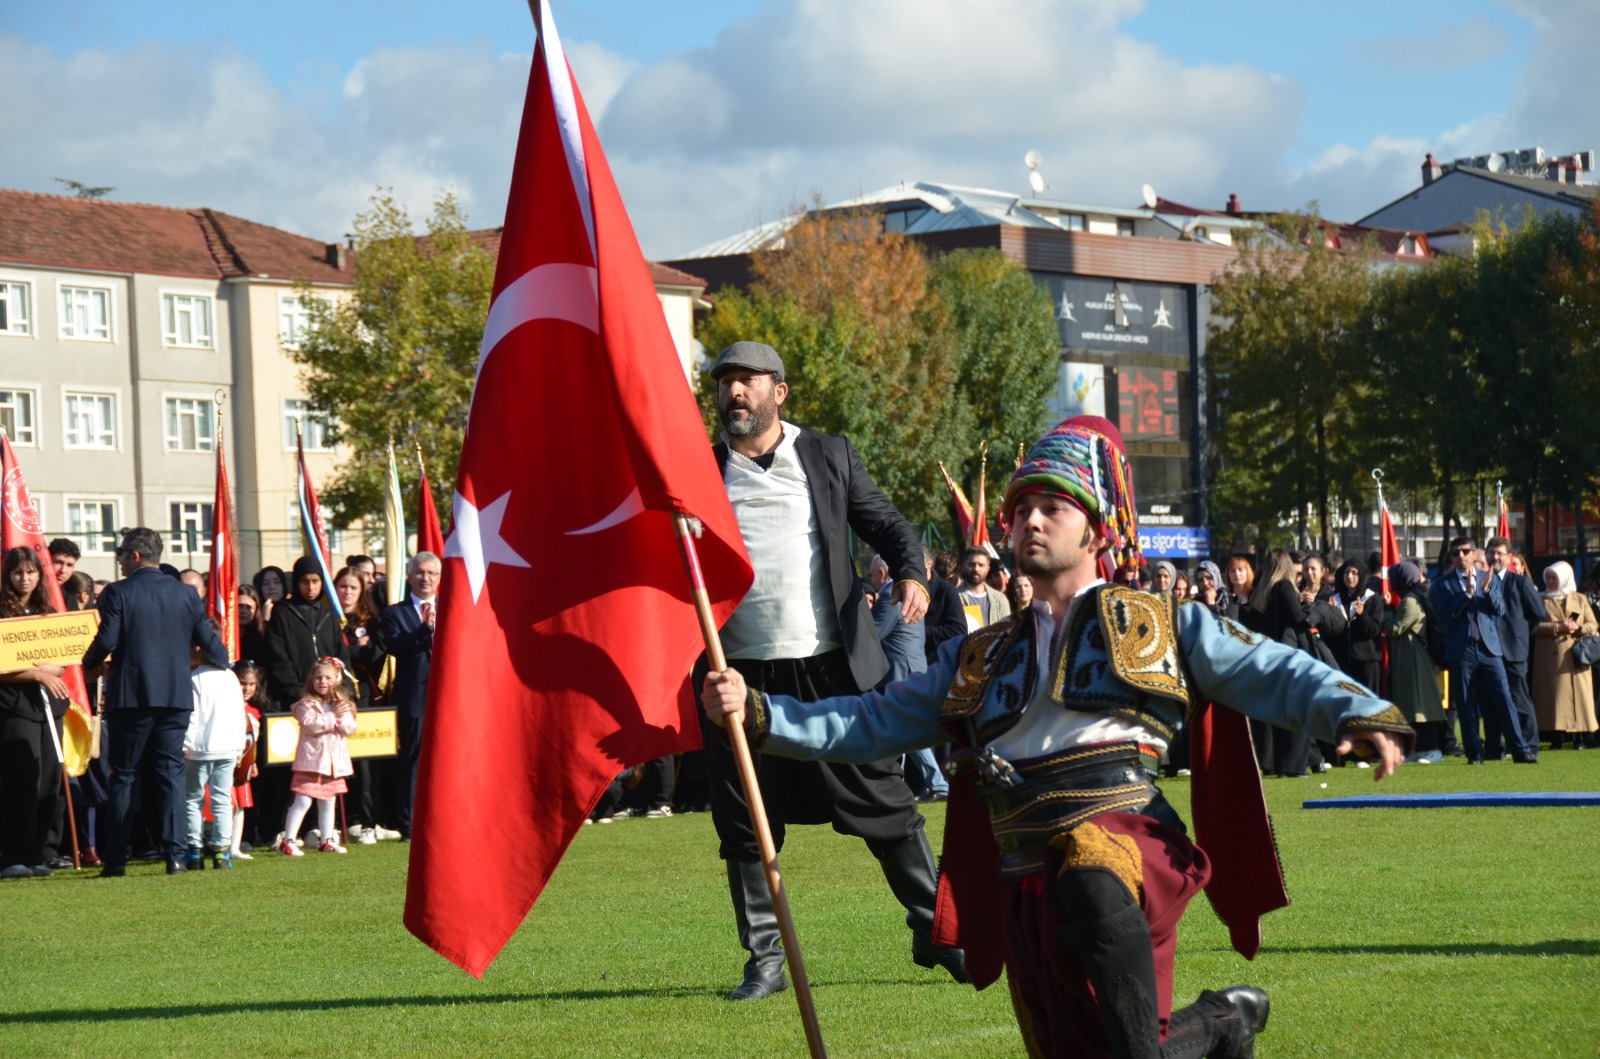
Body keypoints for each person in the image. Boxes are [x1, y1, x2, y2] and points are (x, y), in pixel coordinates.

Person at [703, 414, 1410, 1059]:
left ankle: (1211, 1020)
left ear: (1096, 530)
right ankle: (1222, 1021)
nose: (1029, 523)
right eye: (1019, 512)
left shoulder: (1161, 621)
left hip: (1124, 849)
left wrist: (1359, 711)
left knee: (1089, 865)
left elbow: (1269, 668)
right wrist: (762, 712)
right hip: (1021, 876)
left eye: (1052, 508)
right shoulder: (977, 656)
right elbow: (870, 720)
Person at [697, 340, 960, 1003]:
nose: (734, 392)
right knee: (745, 823)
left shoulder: (827, 455)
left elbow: (892, 526)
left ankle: (938, 929)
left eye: (747, 381)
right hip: (739, 678)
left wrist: (911, 573)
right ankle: (765, 962)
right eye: (725, 381)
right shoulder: (698, 473)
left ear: (778, 392)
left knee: (889, 806)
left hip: (834, 674)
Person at [82, 527, 229, 876]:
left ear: (134, 556)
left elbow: (108, 638)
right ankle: (175, 856)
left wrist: (87, 664)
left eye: (120, 553)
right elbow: (210, 645)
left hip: (131, 697)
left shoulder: (117, 592)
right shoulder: (186, 594)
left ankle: (116, 860)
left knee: (124, 776)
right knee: (170, 776)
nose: (118, 559)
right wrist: (220, 658)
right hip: (175, 697)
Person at [1428, 536, 1538, 765]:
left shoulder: (1488, 579)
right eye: (1456, 553)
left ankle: (1520, 749)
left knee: (1505, 698)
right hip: (1462, 650)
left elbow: (1500, 609)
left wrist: (1486, 591)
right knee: (1466, 703)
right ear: (1451, 557)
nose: (1461, 556)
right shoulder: (1442, 584)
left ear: (1474, 555)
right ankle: (1474, 753)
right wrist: (1466, 595)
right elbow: (1444, 616)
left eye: (1465, 551)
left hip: (1489, 649)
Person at [0, 547, 72, 878]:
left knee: (50, 780)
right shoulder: (2, 610)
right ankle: (16, 855)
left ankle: (45, 851)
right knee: (21, 780)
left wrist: (50, 670)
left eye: (30, 572)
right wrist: (37, 673)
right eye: (18, 572)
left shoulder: (48, 610)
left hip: (49, 706)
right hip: (14, 706)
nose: (24, 578)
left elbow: (65, 657)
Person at [867, 555, 946, 804]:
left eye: (871, 575)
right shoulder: (909, 592)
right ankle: (926, 784)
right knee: (903, 729)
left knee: (902, 729)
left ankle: (932, 784)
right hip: (912, 669)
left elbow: (876, 632)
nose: (871, 580)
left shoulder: (892, 594)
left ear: (882, 572)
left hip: (901, 672)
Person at [333, 565, 395, 843]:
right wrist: (351, 652)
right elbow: (328, 654)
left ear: (362, 591)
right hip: (334, 695)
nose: (346, 593)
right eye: (342, 586)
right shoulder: (328, 619)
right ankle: (336, 822)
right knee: (333, 759)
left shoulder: (372, 621)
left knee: (366, 764)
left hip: (365, 697)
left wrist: (347, 652)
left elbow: (375, 654)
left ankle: (368, 821)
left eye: (353, 588)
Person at [383, 551, 440, 840]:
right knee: (413, 760)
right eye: (420, 572)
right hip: (414, 697)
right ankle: (409, 824)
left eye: (431, 573)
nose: (425, 578)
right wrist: (424, 630)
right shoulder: (396, 612)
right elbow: (396, 647)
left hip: (447, 696)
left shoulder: (453, 607)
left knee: (447, 759)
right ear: (409, 576)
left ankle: (444, 818)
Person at [183, 620, 246, 870]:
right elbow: (238, 714)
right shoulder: (230, 677)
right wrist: (239, 745)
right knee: (222, 800)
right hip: (227, 747)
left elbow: (192, 716)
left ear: (198, 647)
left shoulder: (194, 678)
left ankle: (194, 851)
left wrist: (184, 744)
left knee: (193, 800)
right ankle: (221, 852)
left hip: (198, 749)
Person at [278, 660, 357, 855]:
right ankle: (288, 840)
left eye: (328, 677)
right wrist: (333, 718)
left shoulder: (340, 704)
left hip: (333, 764)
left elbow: (349, 729)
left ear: (336, 680)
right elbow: (311, 725)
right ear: (311, 680)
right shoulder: (305, 704)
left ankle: (327, 839)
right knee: (303, 800)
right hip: (311, 762)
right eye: (318, 677)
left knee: (328, 800)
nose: (323, 681)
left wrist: (344, 714)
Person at [1486, 536, 1544, 758]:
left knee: (1519, 698)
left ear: (1509, 557)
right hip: (1489, 651)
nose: (1495, 557)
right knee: (1491, 701)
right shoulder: (1483, 581)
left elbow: (1537, 613)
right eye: (1492, 552)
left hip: (1513, 650)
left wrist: (1520, 634)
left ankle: (1530, 745)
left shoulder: (1519, 582)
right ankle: (1496, 747)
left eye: (1500, 553)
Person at [266, 557, 348, 710]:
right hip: (293, 701)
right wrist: (300, 694)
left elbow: (341, 655)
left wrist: (342, 690)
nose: (310, 587)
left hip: (329, 699)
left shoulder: (328, 615)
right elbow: (278, 659)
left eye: (315, 581)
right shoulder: (282, 613)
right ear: (297, 582)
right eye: (305, 581)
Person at [1532, 561, 1599, 749]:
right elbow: (1533, 626)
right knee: (1552, 697)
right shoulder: (1539, 599)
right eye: (1548, 578)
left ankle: (1579, 736)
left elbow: (1593, 624)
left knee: (1579, 696)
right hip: (1548, 658)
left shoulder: (1579, 599)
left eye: (1555, 578)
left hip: (1576, 656)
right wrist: (1557, 627)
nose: (1551, 581)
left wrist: (1578, 628)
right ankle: (1556, 736)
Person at [1384, 563, 1446, 762]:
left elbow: (1396, 628)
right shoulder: (1413, 598)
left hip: (1415, 659)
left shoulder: (1411, 601)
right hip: (1410, 659)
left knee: (1421, 705)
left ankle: (1431, 749)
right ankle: (1418, 749)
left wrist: (1385, 611)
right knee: (1412, 706)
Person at [1327, 561, 1385, 693]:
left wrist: (1362, 615)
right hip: (1342, 662)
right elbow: (1329, 632)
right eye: (1347, 572)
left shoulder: (1372, 599)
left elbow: (1374, 629)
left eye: (1355, 573)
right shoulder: (1335, 600)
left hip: (1366, 663)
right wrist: (1331, 614)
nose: (1350, 576)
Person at [230, 661, 267, 859]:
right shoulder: (226, 706)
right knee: (224, 802)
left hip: (243, 764)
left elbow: (253, 742)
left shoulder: (254, 711)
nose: (247, 688)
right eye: (243, 683)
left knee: (241, 804)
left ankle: (235, 846)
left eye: (252, 684)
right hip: (226, 760)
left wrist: (251, 763)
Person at [921, 545, 968, 665]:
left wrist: (922, 632)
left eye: (917, 566)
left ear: (929, 564)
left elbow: (959, 630)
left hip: (938, 665)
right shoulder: (905, 591)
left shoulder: (946, 591)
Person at [958, 546, 1011, 628]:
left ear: (987, 569)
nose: (976, 569)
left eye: (981, 565)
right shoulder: (953, 597)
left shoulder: (1000, 599)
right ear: (964, 566)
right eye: (972, 564)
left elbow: (1007, 631)